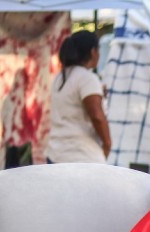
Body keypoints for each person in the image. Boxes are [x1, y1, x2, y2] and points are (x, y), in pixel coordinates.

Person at [45, 30, 111, 164]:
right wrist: (107, 144)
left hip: (56, 153)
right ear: (93, 52)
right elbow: (97, 116)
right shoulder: (87, 78)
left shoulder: (61, 76)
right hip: (80, 155)